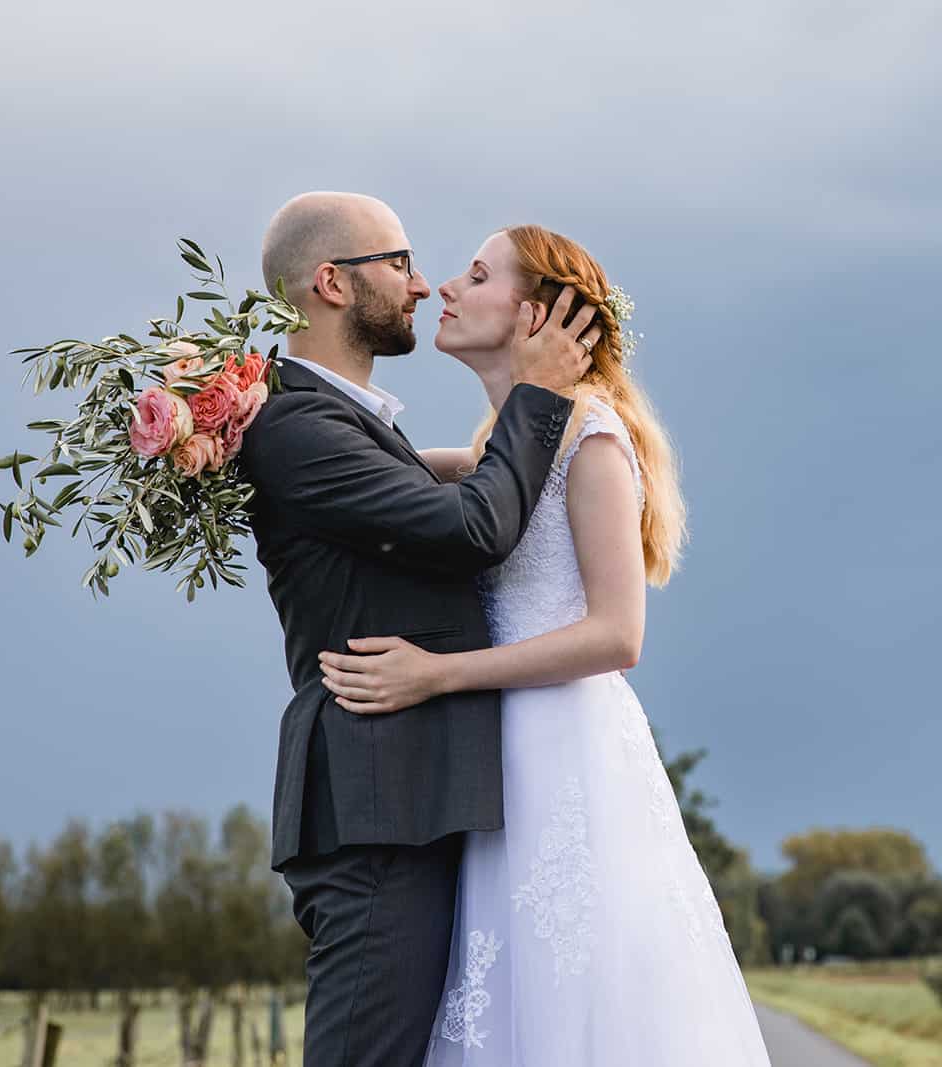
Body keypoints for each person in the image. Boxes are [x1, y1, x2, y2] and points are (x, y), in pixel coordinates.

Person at [317, 226, 773, 1065]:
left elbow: (617, 634)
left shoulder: (593, 439)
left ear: (536, 312)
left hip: (567, 762)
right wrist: (241, 436)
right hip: (503, 762)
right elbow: (385, 472)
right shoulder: (504, 442)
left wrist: (437, 674)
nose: (444, 287)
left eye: (476, 274)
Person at [237, 193, 598, 1067]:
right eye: (396, 262)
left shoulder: (341, 423)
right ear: (331, 282)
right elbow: (474, 530)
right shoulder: (296, 426)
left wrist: (487, 448)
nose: (420, 282)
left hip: (407, 798)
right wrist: (542, 396)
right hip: (375, 805)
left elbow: (441, 489)